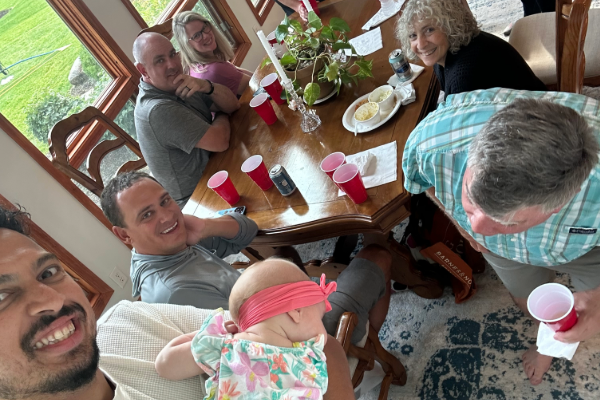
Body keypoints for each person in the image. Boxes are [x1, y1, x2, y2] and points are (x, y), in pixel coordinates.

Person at [0, 206, 355, 399]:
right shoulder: (168, 289)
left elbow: (325, 350)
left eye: (47, 273)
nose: (52, 300)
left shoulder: (132, 321)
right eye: (2, 296)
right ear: (124, 235)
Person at [402, 87, 600, 385]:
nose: (478, 229)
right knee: (529, 298)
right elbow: (424, 181)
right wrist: (458, 221)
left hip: (587, 249)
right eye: (470, 197)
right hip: (522, 249)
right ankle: (546, 340)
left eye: (507, 222)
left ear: (559, 204)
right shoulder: (430, 144)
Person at [101, 170, 393, 346]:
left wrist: (206, 226)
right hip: (297, 336)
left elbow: (248, 230)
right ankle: (361, 341)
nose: (167, 216)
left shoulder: (164, 248)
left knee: (284, 254)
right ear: (124, 235)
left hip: (272, 308)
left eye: (165, 200)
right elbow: (261, 345)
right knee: (378, 253)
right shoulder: (176, 291)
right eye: (147, 215)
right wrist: (305, 299)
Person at [155, 259, 336, 398]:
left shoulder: (227, 347)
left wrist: (210, 335)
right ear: (296, 311)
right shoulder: (308, 355)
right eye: (321, 318)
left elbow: (165, 364)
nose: (323, 330)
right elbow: (163, 366)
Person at [133, 32, 240, 207]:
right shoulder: (157, 110)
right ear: (143, 70)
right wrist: (221, 114)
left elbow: (232, 105)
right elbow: (220, 141)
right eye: (160, 60)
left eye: (172, 54)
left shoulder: (177, 82)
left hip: (219, 166)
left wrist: (207, 86)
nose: (173, 64)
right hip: (198, 198)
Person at [395, 0, 546, 99]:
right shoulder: (445, 51)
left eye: (429, 30)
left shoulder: (462, 78)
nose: (421, 45)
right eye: (413, 35)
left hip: (538, 121)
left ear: (449, 26)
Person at [172, 11, 253, 97]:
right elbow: (256, 85)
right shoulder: (215, 69)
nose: (205, 36)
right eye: (196, 36)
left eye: (204, 28)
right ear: (187, 45)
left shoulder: (195, 67)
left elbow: (237, 70)